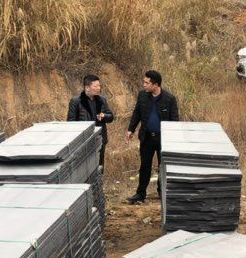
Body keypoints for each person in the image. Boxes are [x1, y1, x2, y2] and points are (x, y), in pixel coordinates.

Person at [125, 70, 179, 204]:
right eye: (144, 82)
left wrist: (173, 139)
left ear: (155, 84)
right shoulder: (142, 95)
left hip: (163, 139)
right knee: (145, 166)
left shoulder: (169, 99)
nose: (144, 85)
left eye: (147, 83)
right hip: (147, 137)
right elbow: (137, 113)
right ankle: (140, 193)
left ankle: (162, 191)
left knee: (163, 166)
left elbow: (174, 121)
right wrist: (131, 129)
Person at [67, 74, 114, 168]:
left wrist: (104, 116)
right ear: (87, 87)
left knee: (99, 166)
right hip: (83, 141)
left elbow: (111, 117)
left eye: (99, 85)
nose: (98, 88)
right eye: (95, 86)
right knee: (85, 168)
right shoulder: (76, 101)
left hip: (100, 138)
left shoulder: (102, 100)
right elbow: (70, 122)